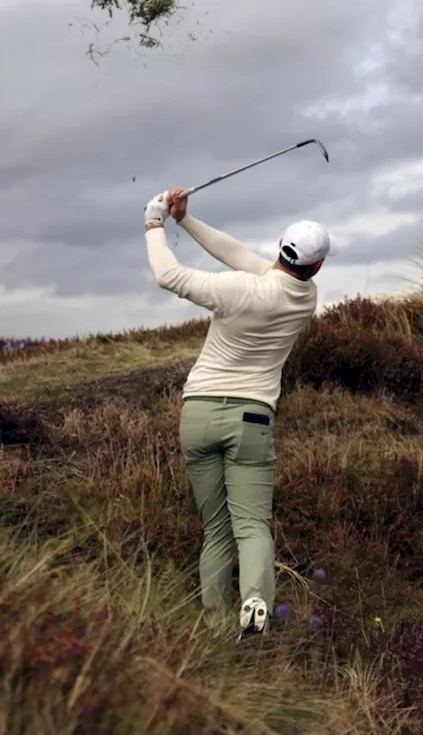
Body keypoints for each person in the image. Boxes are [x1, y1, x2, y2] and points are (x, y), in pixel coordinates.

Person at [143, 188, 332, 638]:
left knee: (215, 528)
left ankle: (217, 626)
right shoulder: (306, 297)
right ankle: (255, 606)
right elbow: (239, 254)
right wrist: (186, 220)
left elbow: (169, 276)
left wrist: (155, 224)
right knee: (251, 525)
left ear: (280, 248)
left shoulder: (237, 290)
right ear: (317, 266)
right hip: (252, 419)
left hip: (199, 415)